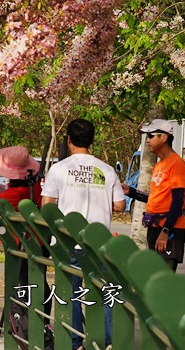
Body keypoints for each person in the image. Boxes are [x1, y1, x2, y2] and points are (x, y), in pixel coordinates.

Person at [41, 118, 125, 350]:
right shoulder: (106, 170)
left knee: (72, 290)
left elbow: (47, 205)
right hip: (99, 242)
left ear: (68, 140)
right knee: (105, 288)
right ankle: (107, 342)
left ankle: (75, 342)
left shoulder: (59, 169)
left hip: (69, 241)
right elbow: (120, 206)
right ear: (92, 140)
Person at [122, 118, 185, 272]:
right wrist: (131, 192)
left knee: (164, 280)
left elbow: (177, 200)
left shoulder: (176, 164)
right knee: (153, 276)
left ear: (164, 137)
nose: (148, 141)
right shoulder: (159, 165)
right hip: (154, 227)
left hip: (169, 229)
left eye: (151, 136)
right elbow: (155, 198)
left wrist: (166, 231)